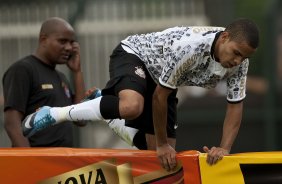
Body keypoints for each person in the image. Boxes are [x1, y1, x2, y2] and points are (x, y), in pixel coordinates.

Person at [22, 18, 259, 170]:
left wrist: (224, 149)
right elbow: (159, 97)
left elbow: (235, 105)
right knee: (132, 106)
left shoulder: (240, 64)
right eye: (236, 53)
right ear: (225, 37)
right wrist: (163, 144)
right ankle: (54, 113)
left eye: (244, 57)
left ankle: (105, 109)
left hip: (164, 79)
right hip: (135, 54)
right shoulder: (191, 47)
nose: (238, 61)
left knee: (158, 157)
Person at [2, 17, 86, 147]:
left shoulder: (61, 77)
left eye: (72, 42)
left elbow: (81, 120)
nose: (69, 47)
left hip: (64, 161)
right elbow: (12, 123)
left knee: (113, 168)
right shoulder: (23, 70)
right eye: (62, 41)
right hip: (39, 161)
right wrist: (30, 161)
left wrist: (77, 72)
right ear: (43, 39)